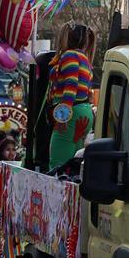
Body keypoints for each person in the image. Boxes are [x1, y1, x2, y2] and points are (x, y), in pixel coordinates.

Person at [48, 23, 95, 171]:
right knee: (73, 164)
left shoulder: (70, 56)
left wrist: (63, 116)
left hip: (71, 113)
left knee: (58, 165)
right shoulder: (85, 58)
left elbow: (71, 84)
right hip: (83, 110)